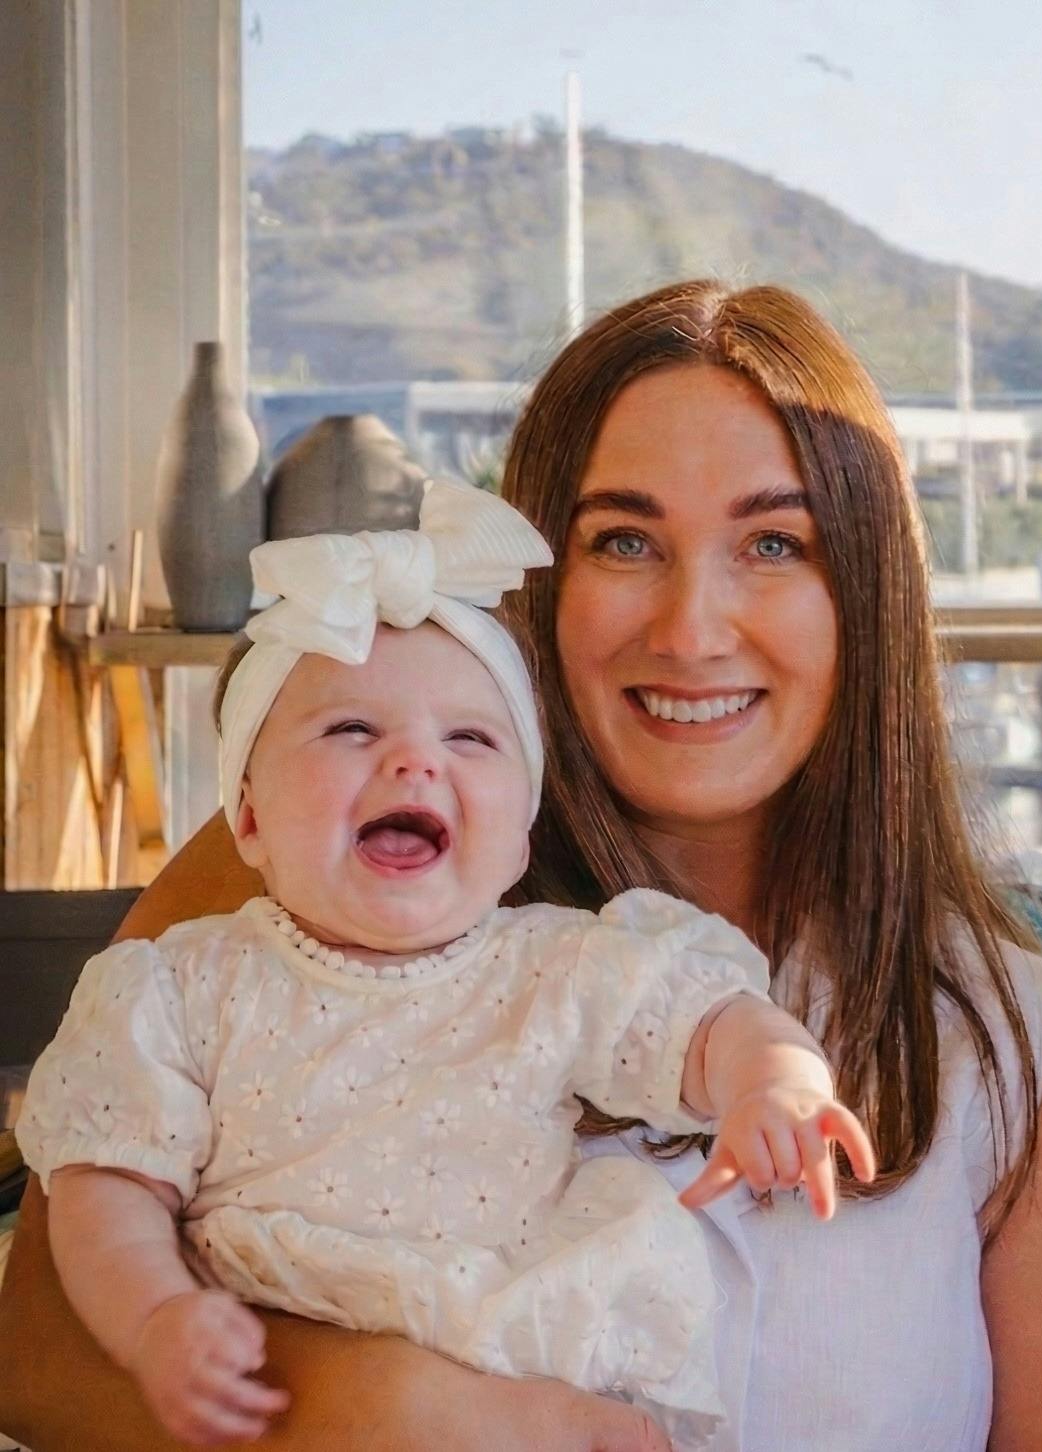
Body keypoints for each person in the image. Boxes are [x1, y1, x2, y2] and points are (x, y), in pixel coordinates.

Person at [0, 282, 1042, 1452]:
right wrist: (395, 1409)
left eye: (774, 542)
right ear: (539, 584)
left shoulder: (1013, 1052)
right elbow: (36, 1351)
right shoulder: (310, 872)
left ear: (865, 595)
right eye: (623, 540)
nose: (691, 628)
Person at [16, 480, 877, 1450]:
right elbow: (107, 1188)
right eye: (352, 729)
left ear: (518, 841)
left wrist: (776, 1083)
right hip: (278, 1343)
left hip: (515, 1354)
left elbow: (703, 1018)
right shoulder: (182, 987)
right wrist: (153, 1320)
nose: (415, 762)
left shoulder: (551, 968)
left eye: (469, 738)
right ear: (248, 816)